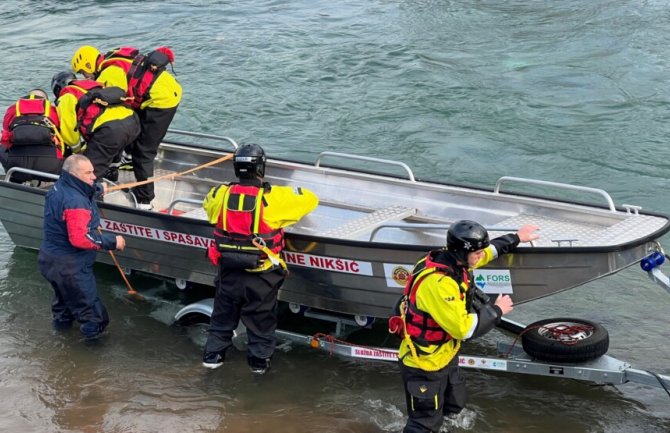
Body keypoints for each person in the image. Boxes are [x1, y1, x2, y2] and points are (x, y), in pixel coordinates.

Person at [395, 220, 540, 433]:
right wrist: (497, 310)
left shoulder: (454, 260)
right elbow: (464, 330)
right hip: (423, 362)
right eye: (477, 253)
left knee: (454, 406)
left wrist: (516, 238)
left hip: (445, 354)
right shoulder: (439, 284)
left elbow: (488, 252)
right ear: (462, 253)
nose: (481, 257)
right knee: (424, 423)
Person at [201, 143, 318, 374]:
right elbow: (310, 199)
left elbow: (208, 208)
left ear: (236, 168)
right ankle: (258, 370)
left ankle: (211, 362)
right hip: (261, 277)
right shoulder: (274, 199)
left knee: (221, 321)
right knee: (261, 324)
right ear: (261, 168)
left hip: (228, 274)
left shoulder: (219, 195)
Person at [71, 45, 182, 210]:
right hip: (162, 91)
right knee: (128, 129)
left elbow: (115, 109)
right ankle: (123, 162)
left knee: (143, 152)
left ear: (88, 66)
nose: (85, 77)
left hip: (161, 101)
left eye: (83, 72)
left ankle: (145, 201)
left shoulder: (109, 73)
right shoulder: (113, 61)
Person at [37, 154, 126, 340]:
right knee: (94, 317)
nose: (94, 176)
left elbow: (81, 190)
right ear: (75, 175)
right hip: (70, 266)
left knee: (63, 308)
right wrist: (113, 242)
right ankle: (89, 361)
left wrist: (99, 189)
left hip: (50, 260)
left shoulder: (59, 187)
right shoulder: (76, 203)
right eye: (89, 173)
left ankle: (61, 345)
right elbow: (79, 239)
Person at [51, 70, 140, 183]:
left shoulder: (67, 96)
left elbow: (69, 129)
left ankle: (96, 197)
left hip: (111, 131)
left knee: (88, 170)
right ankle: (111, 175)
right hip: (132, 122)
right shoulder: (93, 85)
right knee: (114, 149)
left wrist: (77, 150)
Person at [0, 88, 64, 184]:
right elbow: (65, 136)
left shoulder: (13, 109)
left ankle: (13, 181)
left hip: (16, 168)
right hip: (50, 169)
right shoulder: (53, 110)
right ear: (45, 100)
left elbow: (5, 136)